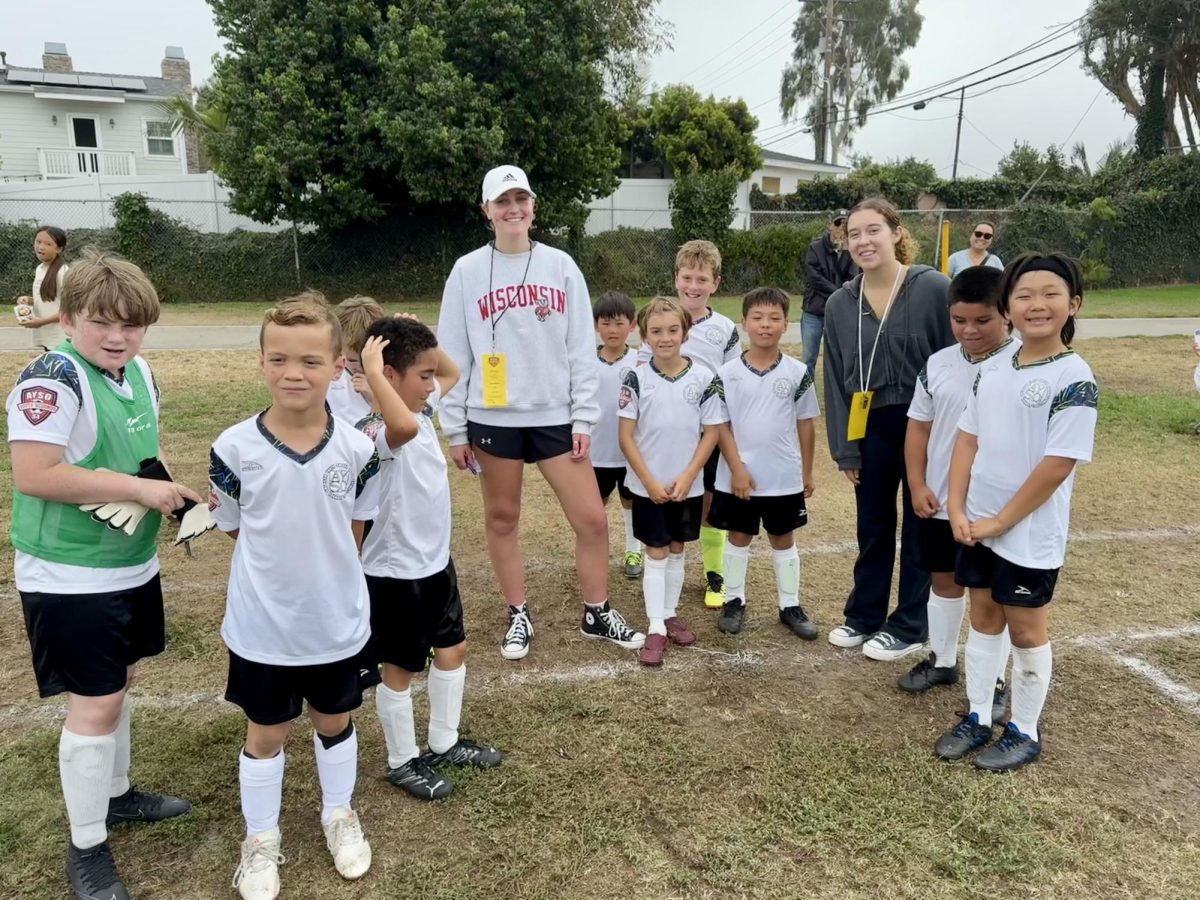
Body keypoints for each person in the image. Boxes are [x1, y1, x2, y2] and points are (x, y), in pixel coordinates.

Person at [8, 250, 200, 900]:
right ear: (69, 320)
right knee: (94, 704)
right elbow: (34, 474)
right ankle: (86, 847)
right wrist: (137, 491)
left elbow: (143, 455)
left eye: (131, 324)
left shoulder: (137, 370)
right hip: (68, 574)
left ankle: (116, 796)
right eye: (100, 322)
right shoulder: (52, 378)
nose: (117, 336)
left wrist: (171, 492)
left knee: (120, 682)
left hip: (128, 563)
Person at [436, 164, 643, 661]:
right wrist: (456, 427)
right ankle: (518, 613)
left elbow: (579, 348)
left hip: (554, 417)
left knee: (592, 518)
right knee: (503, 518)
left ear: (533, 206)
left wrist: (581, 419)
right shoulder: (466, 271)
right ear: (486, 211)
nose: (513, 209)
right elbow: (452, 353)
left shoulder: (561, 265)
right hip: (492, 417)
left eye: (520, 199)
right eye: (502, 201)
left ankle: (597, 611)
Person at [210, 293, 379, 899]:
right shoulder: (233, 449)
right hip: (262, 625)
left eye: (310, 361)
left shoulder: (360, 450)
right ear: (261, 362)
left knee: (334, 719)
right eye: (278, 358)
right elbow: (233, 524)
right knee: (266, 732)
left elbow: (355, 529)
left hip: (334, 620)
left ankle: (339, 813)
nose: (293, 373)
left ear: (338, 367)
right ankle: (260, 839)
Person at [936, 253, 1097, 773]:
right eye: (1024, 295)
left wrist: (1002, 521)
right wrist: (957, 507)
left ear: (1072, 304)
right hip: (977, 524)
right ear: (1008, 306)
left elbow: (1057, 466)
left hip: (1027, 533)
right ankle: (979, 716)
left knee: (1026, 631)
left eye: (1051, 294)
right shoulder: (994, 366)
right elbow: (967, 439)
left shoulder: (1075, 377)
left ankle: (1024, 730)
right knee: (982, 619)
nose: (1037, 305)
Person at [355, 318, 504, 802]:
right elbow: (398, 422)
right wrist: (374, 371)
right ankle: (402, 760)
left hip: (435, 562)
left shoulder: (419, 408)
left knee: (453, 650)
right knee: (398, 670)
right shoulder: (376, 429)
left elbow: (454, 371)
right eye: (421, 374)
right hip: (395, 573)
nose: (431, 382)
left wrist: (424, 342)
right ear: (390, 376)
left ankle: (444, 741)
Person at [823, 197, 955, 662]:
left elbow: (956, 361)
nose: (863, 240)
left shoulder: (933, 287)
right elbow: (836, 379)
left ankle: (910, 624)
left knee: (922, 524)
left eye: (873, 230)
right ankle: (864, 615)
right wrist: (846, 449)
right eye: (853, 233)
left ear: (896, 233)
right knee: (874, 524)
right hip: (870, 422)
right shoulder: (841, 302)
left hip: (926, 425)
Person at [900, 266, 1018, 709]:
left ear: (1005, 314)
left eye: (982, 321)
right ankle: (943, 659)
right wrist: (916, 483)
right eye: (959, 320)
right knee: (943, 581)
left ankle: (998, 682)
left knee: (991, 597)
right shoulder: (938, 363)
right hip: (940, 502)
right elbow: (918, 428)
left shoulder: (1020, 363)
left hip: (991, 508)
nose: (969, 330)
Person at [709, 287, 820, 639]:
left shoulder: (797, 372)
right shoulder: (726, 374)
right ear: (744, 323)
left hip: (782, 476)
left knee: (783, 539)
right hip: (738, 477)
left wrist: (806, 471)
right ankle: (734, 600)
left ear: (786, 325)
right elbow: (720, 425)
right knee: (738, 536)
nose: (765, 325)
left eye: (774, 318)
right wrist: (737, 469)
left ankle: (790, 604)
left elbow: (806, 423)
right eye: (757, 318)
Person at [619, 297, 724, 667]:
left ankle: (669, 612)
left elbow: (712, 432)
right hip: (649, 486)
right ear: (644, 336)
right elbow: (626, 436)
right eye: (656, 331)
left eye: (673, 330)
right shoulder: (635, 377)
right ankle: (655, 625)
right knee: (656, 551)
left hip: (686, 486)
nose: (665, 338)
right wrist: (647, 481)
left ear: (685, 331)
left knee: (678, 548)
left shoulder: (704, 378)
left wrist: (689, 475)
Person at [637, 240, 740, 609]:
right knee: (655, 493)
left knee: (708, 501)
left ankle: (715, 574)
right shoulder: (659, 319)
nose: (692, 286)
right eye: (686, 277)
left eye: (701, 279)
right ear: (676, 278)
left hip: (707, 432)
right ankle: (645, 555)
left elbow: (731, 380)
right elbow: (640, 376)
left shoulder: (725, 329)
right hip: (664, 433)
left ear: (715, 283)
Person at [591, 291, 643, 578]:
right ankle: (595, 552)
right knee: (593, 507)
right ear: (596, 325)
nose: (613, 330)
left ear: (632, 325)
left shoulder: (640, 362)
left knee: (630, 501)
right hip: (594, 452)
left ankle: (633, 549)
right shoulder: (586, 362)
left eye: (619, 323)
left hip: (628, 453)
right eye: (606, 323)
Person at [802, 210, 859, 373]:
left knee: (836, 358)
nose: (841, 228)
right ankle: (806, 396)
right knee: (808, 359)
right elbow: (814, 278)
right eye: (837, 223)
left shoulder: (851, 250)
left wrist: (846, 252)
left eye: (845, 224)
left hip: (838, 313)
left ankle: (834, 396)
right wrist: (837, 293)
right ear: (830, 226)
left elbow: (852, 277)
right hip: (814, 311)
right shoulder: (815, 247)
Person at [328, 295, 384, 427]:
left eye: (370, 359)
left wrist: (376, 394)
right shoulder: (330, 378)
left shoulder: (393, 373)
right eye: (353, 361)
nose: (363, 367)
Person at [15, 226, 69, 352]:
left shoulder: (64, 272)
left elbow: (70, 309)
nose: (41, 247)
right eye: (38, 241)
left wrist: (42, 322)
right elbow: (50, 299)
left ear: (59, 248)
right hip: (47, 336)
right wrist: (28, 300)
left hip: (61, 337)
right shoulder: (40, 269)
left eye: (48, 244)